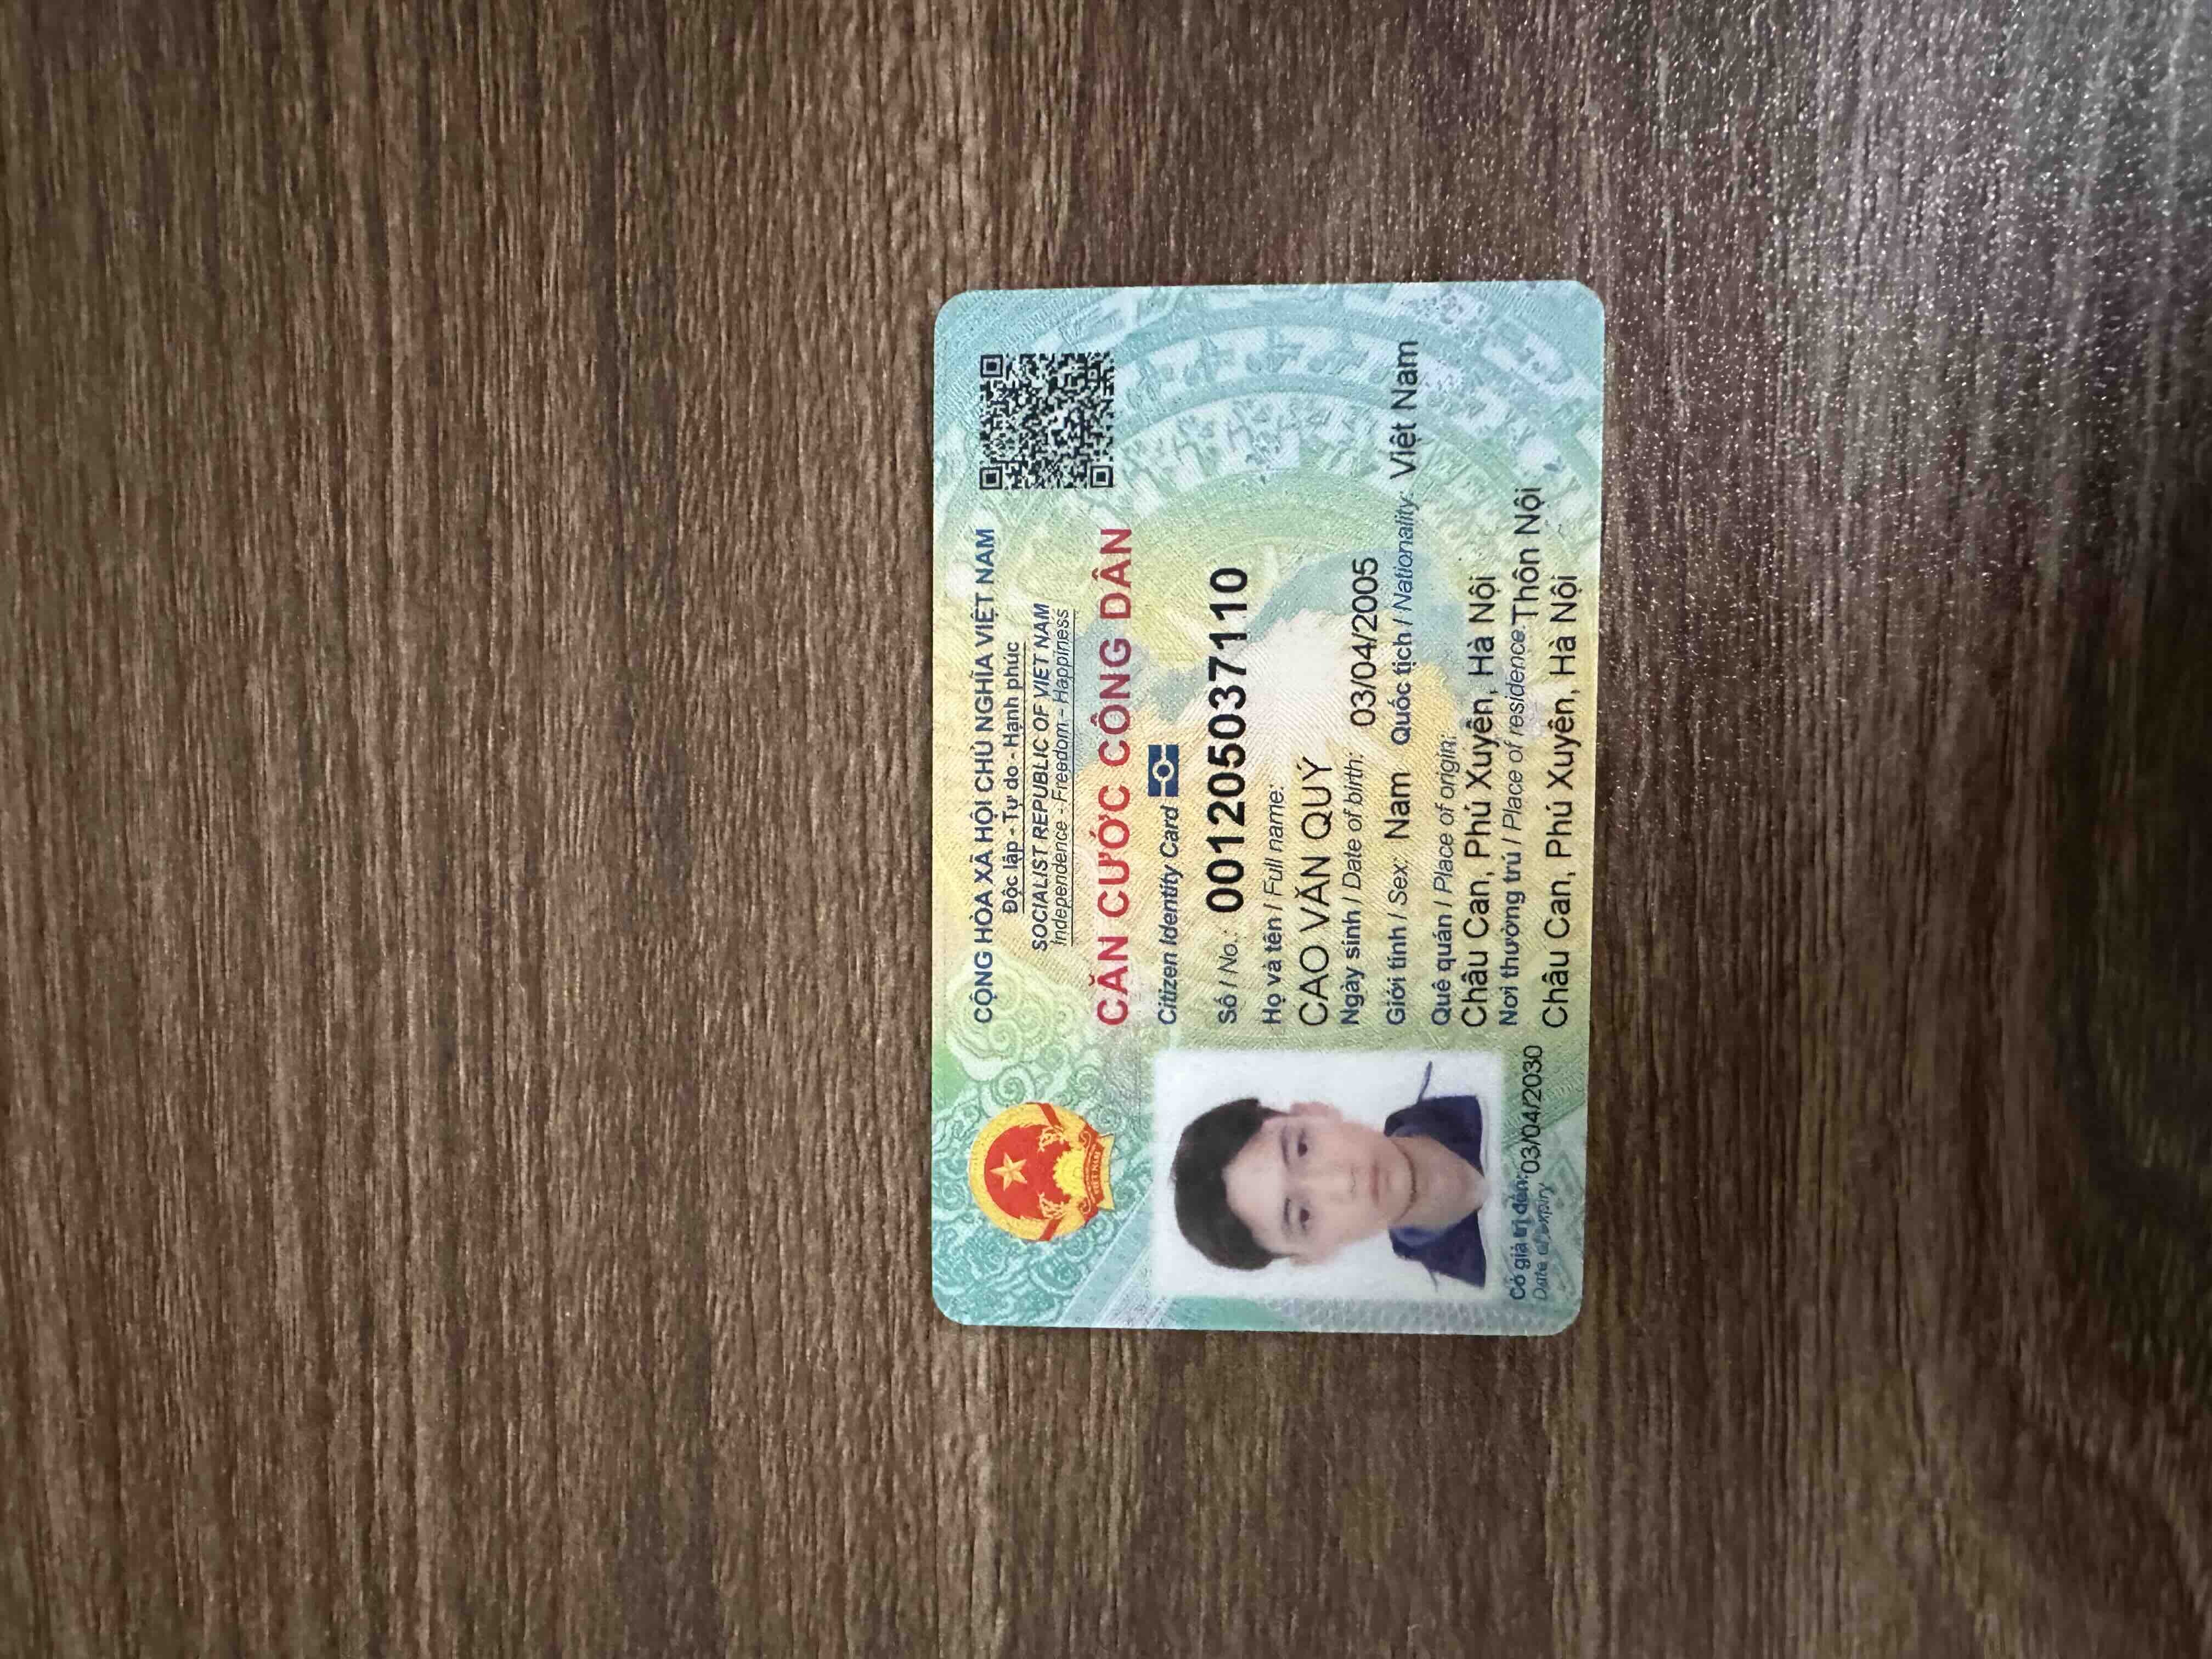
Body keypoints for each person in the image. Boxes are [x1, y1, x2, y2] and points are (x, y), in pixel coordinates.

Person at [1169, 1066, 1490, 1287]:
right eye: (1303, 1215)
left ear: (1314, 1111)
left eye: (1303, 1148)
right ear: (1313, 1256)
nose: (1343, 1182)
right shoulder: (1472, 1292)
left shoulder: (1471, 1074)